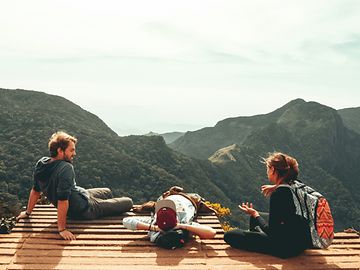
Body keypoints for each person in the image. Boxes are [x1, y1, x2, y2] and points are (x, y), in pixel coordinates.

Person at [16, 131, 133, 240]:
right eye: (71, 150)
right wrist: (62, 229)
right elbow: (62, 200)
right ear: (60, 151)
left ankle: (108, 204)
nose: (74, 154)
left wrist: (28, 213)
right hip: (84, 209)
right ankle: (106, 207)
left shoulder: (41, 163)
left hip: (81, 194)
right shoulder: (65, 168)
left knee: (107, 191)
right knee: (128, 202)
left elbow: (35, 190)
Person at [224, 152, 312, 258]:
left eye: (268, 169)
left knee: (230, 235)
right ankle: (257, 237)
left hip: (285, 249)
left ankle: (259, 243)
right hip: (301, 243)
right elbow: (288, 184)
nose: (267, 172)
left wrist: (255, 214)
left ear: (273, 170)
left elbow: (272, 233)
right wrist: (276, 185)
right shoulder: (296, 185)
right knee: (255, 218)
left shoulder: (278, 195)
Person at [123, 186, 216, 248]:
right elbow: (212, 233)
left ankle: (170, 194)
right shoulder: (184, 222)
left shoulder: (154, 224)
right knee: (196, 196)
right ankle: (173, 193)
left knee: (156, 202)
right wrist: (182, 226)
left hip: (166, 199)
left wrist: (154, 228)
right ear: (176, 218)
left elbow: (126, 221)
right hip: (188, 199)